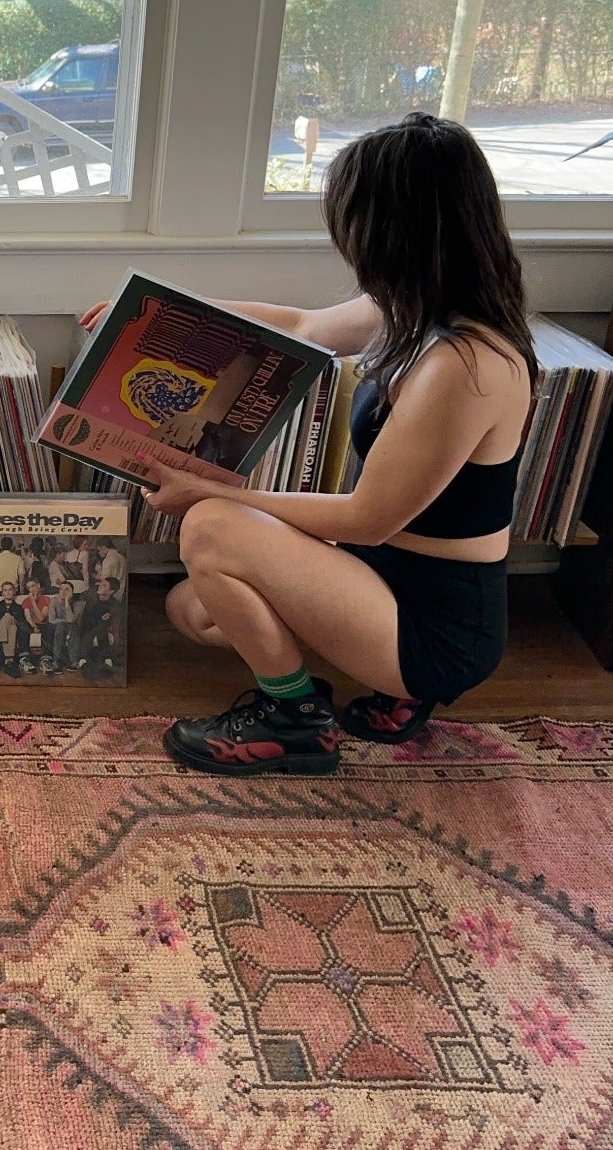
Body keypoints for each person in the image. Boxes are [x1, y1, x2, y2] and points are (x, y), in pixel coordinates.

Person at [81, 115, 535, 776]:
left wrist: (212, 492)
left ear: (389, 227)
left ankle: (296, 719)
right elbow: (302, 326)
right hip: (381, 573)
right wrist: (152, 309)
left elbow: (367, 517)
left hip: (433, 622)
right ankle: (376, 687)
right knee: (195, 612)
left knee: (209, 529)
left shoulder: (464, 365)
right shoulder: (415, 310)